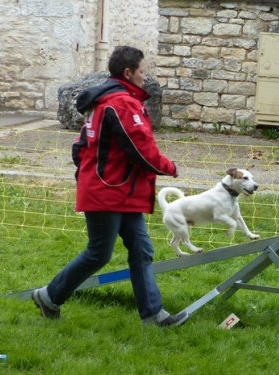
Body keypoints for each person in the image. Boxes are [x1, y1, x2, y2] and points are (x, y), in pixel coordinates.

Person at [32, 46, 190, 327]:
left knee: (142, 250)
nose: (146, 76)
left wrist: (89, 172)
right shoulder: (121, 103)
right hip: (108, 191)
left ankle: (153, 315)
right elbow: (141, 150)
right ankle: (49, 296)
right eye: (143, 71)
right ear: (128, 73)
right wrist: (169, 167)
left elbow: (80, 147)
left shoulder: (107, 100)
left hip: (120, 191)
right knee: (99, 253)